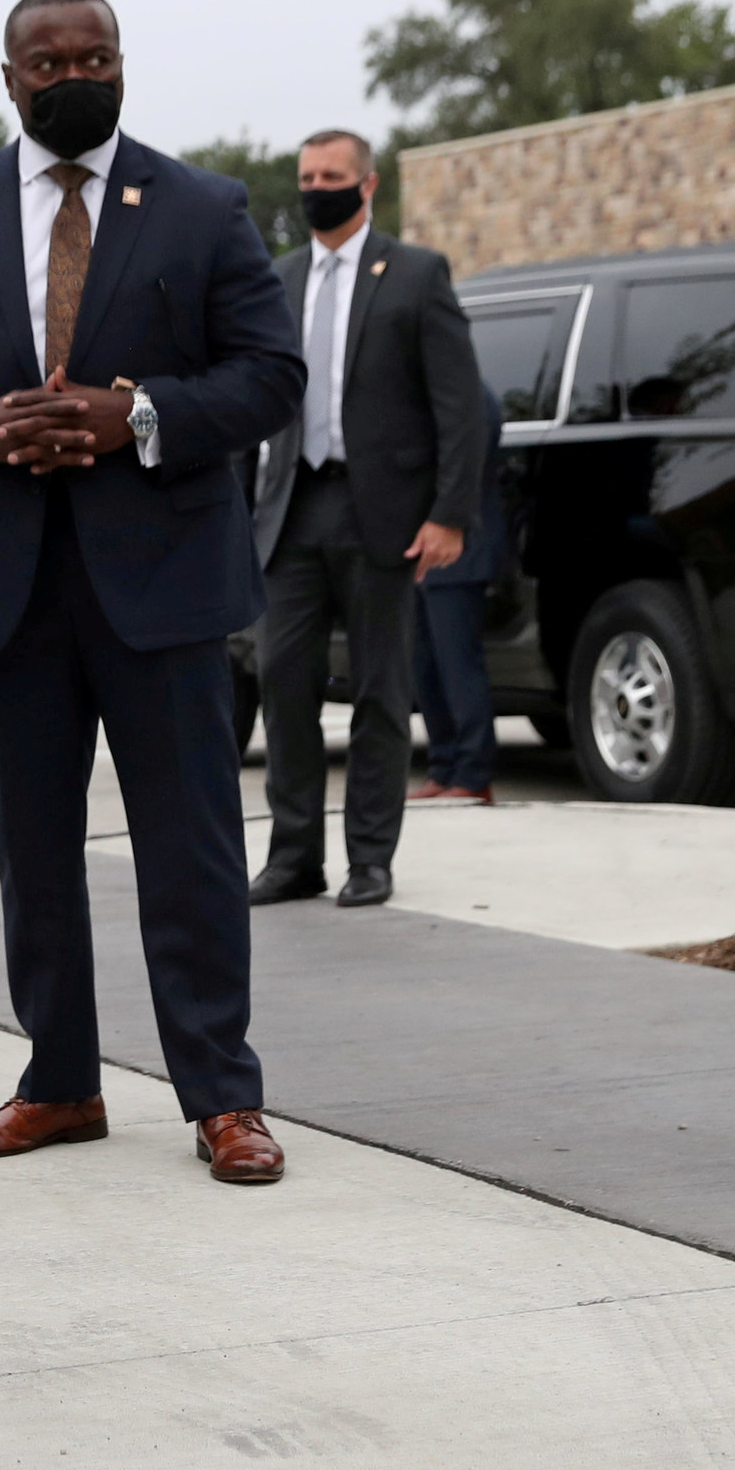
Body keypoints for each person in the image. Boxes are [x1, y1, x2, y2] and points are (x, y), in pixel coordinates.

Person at [0, 0, 305, 1185]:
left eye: (97, 55)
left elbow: (271, 375)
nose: (76, 75)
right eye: (50, 62)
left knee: (194, 846)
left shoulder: (207, 208)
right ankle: (59, 1084)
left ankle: (224, 1097)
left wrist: (142, 416)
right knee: (36, 850)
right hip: (6, 581)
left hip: (163, 585)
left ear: (125, 63)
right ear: (8, 80)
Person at [245, 131, 486, 907]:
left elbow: (461, 406)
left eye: (333, 175)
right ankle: (294, 857)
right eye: (307, 176)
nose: (318, 187)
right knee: (284, 683)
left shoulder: (416, 274)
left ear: (368, 183)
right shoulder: (276, 280)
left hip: (383, 511)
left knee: (382, 691)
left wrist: (450, 513)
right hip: (292, 507)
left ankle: (370, 858)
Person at [412, 383, 507, 805]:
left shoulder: (471, 396)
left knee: (458, 665)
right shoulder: (420, 393)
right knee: (424, 666)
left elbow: (468, 463)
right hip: (416, 553)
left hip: (459, 550)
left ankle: (473, 773)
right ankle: (443, 765)